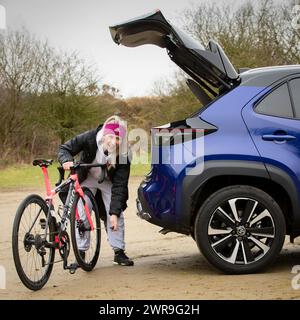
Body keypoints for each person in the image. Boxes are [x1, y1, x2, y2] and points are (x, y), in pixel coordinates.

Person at [57, 115, 134, 266]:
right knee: (82, 212)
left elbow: (120, 185)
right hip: (87, 178)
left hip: (108, 182)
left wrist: (113, 212)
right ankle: (81, 251)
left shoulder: (124, 154)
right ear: (105, 135)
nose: (113, 142)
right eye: (110, 136)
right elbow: (64, 149)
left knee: (115, 214)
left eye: (118, 139)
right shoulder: (90, 137)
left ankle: (119, 252)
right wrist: (66, 161)